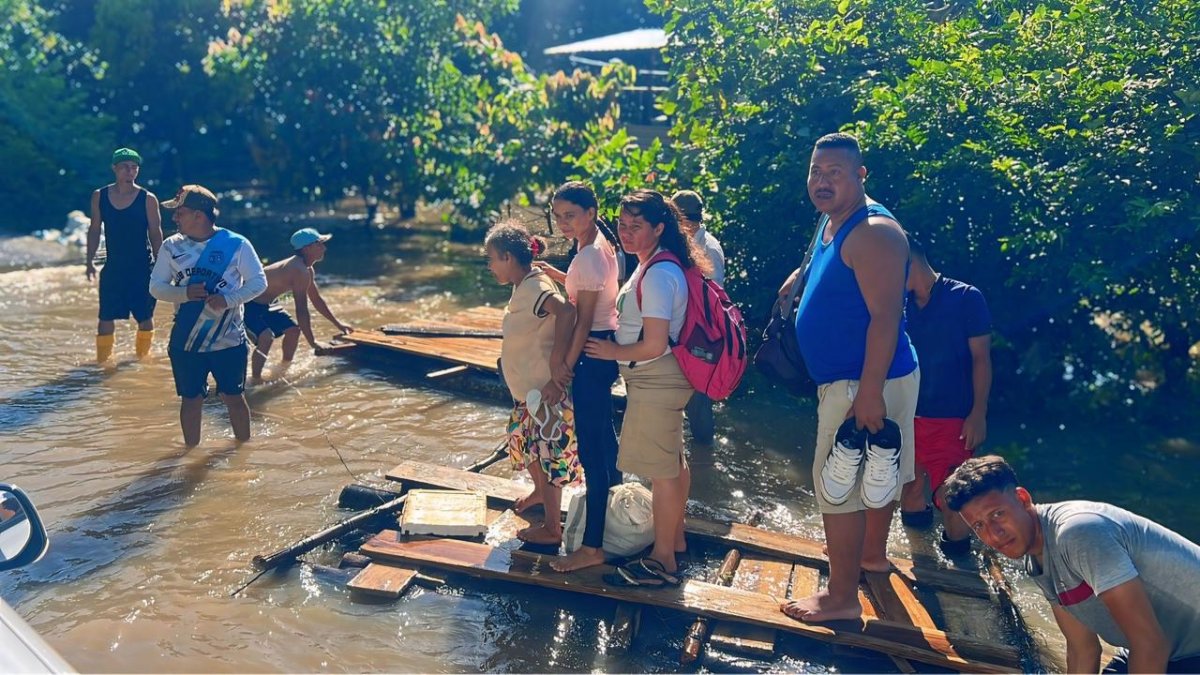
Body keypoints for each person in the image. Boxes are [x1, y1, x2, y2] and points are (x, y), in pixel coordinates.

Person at [780, 132, 919, 623]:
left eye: (835, 173)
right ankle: (870, 557)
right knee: (876, 476)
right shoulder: (833, 218)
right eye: (816, 171)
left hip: (864, 380)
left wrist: (870, 393)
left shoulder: (876, 232)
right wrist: (800, 281)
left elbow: (887, 318)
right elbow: (840, 268)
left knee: (836, 488)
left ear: (860, 176)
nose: (822, 181)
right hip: (854, 379)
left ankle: (841, 599)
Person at [944, 456, 1200, 673]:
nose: (994, 534)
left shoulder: (1078, 533)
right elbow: (1082, 649)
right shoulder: (1035, 557)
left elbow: (1151, 643)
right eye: (979, 526)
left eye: (997, 514)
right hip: (1166, 650)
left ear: (1022, 499)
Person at [584, 189, 713, 578]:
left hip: (657, 378)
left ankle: (662, 559)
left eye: (636, 226)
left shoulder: (659, 274)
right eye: (622, 225)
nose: (626, 233)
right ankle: (674, 541)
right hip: (664, 377)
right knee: (672, 461)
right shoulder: (655, 263)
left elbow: (655, 343)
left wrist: (609, 353)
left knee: (661, 470)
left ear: (659, 228)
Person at [533, 182, 623, 572]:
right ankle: (620, 520)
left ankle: (592, 548)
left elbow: (584, 320)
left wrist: (563, 372)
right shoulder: (599, 244)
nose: (562, 223)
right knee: (605, 441)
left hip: (590, 354)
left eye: (570, 215)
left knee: (591, 453)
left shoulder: (587, 256)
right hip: (601, 353)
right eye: (557, 215)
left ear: (591, 211)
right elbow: (589, 291)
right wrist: (555, 271)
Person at [486, 220, 582, 546]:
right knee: (523, 441)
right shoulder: (523, 284)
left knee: (549, 452)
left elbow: (567, 312)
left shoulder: (537, 287)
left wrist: (558, 363)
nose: (490, 266)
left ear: (509, 257)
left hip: (545, 392)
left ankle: (553, 528)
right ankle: (540, 493)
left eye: (492, 259)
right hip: (527, 395)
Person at [150, 185, 267, 447]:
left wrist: (229, 300)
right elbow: (155, 287)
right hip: (186, 340)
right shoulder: (171, 246)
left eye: (179, 213)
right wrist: (184, 294)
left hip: (229, 340)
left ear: (199, 216)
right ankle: (190, 453)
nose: (174, 218)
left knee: (233, 397)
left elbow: (258, 283)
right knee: (190, 399)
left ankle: (242, 454)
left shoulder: (236, 244)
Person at [898, 236, 992, 553]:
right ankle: (919, 558)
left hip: (952, 417)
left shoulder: (966, 297)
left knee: (953, 494)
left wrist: (978, 414)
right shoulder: (900, 304)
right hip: (907, 413)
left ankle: (960, 565)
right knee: (909, 487)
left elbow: (981, 359)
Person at [86, 147, 164, 362]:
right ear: (114, 168)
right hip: (113, 267)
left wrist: (162, 265)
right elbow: (94, 229)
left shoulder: (148, 199)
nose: (130, 172)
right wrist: (89, 261)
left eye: (133, 168)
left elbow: (156, 234)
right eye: (124, 167)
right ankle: (102, 364)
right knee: (104, 318)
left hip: (142, 268)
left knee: (145, 318)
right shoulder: (99, 196)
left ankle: (142, 362)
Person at [246, 227, 354, 382]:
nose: (324, 248)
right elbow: (301, 309)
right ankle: (255, 380)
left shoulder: (307, 270)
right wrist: (313, 342)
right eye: (320, 244)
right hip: (248, 303)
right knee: (266, 337)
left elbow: (316, 299)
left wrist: (338, 324)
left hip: (268, 303)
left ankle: (283, 368)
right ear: (307, 248)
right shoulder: (298, 270)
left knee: (293, 330)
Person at [670, 189, 725, 445]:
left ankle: (705, 458)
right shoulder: (690, 243)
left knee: (698, 402)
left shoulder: (708, 249)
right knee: (689, 400)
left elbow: (713, 299)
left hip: (702, 335)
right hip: (686, 332)